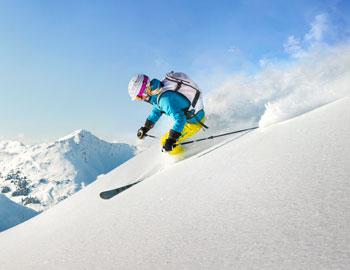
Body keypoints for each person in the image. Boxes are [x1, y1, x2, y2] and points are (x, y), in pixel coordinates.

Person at [128, 71, 207, 155]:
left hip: (195, 122)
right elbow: (157, 110)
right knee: (167, 139)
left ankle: (185, 159)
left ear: (145, 90)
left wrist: (171, 139)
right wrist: (146, 128)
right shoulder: (159, 90)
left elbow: (180, 119)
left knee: (164, 143)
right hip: (196, 115)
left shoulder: (165, 100)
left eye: (139, 97)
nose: (141, 100)